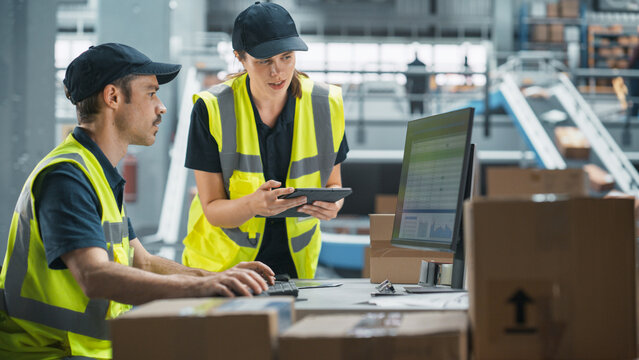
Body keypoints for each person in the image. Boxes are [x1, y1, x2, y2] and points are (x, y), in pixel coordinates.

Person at [0, 43, 274, 360]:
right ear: (113, 97)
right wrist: (200, 289)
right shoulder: (66, 177)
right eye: (150, 93)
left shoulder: (97, 172)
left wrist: (217, 278)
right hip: (45, 352)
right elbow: (95, 276)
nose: (161, 107)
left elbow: (141, 260)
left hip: (88, 350)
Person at [182, 2, 349, 280]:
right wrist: (253, 206)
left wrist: (333, 206)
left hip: (294, 268)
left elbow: (333, 184)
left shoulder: (325, 105)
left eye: (286, 57)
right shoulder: (211, 109)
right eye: (264, 61)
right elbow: (212, 208)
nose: (278, 71)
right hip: (222, 270)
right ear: (240, 57)